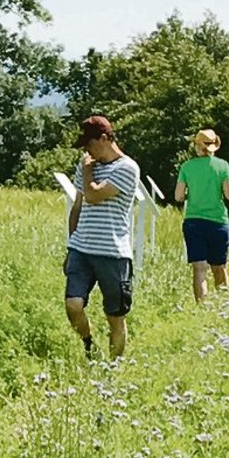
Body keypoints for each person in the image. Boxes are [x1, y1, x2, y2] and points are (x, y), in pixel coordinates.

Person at [64, 114, 141, 358]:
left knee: (115, 316)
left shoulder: (127, 168)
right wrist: (70, 246)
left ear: (105, 138)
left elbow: (94, 194)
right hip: (81, 248)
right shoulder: (86, 165)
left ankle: (114, 367)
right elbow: (77, 206)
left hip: (112, 252)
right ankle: (89, 345)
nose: (86, 149)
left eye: (90, 143)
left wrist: (88, 172)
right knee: (73, 305)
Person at [174, 128, 229, 302]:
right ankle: (224, 304)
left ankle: (202, 307)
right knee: (219, 267)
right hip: (218, 222)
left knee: (199, 267)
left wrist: (192, 191)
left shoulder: (186, 167)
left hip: (194, 222)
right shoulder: (223, 165)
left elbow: (178, 196)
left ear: (197, 147)